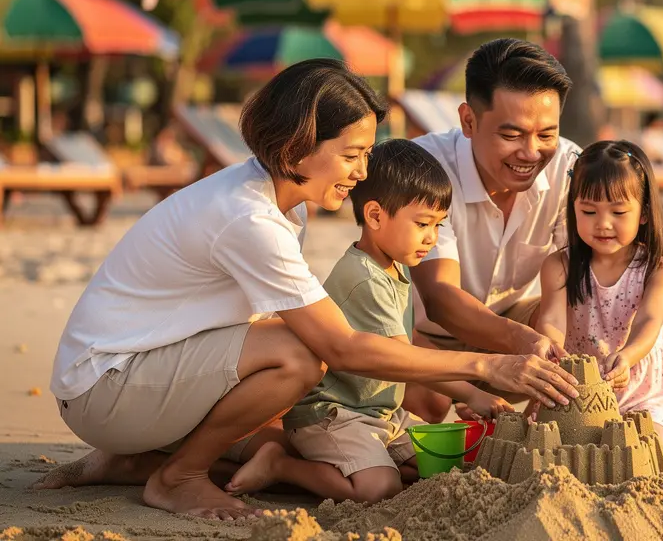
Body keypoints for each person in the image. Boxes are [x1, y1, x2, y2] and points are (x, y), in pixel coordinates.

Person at [36, 59, 578, 520]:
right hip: (104, 387)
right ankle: (177, 477)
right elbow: (338, 347)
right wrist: (484, 367)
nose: (362, 171)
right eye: (351, 154)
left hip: (142, 374)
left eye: (367, 154)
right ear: (297, 146)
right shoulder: (249, 218)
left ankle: (135, 460)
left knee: (285, 428)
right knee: (300, 357)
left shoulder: (278, 202)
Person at [223, 139, 515, 503]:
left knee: (439, 466)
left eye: (439, 225)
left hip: (381, 413)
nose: (431, 238)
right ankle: (280, 466)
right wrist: (472, 391)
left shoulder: (393, 268)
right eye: (422, 224)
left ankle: (346, 465)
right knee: (380, 488)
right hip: (334, 414)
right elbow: (406, 361)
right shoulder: (364, 278)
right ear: (375, 216)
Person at [404, 38, 587, 423]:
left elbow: (593, 277)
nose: (531, 153)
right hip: (425, 341)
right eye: (512, 135)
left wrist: (547, 353)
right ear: (468, 121)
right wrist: (524, 343)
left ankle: (547, 413)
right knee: (428, 405)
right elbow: (439, 297)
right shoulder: (424, 167)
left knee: (587, 308)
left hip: (516, 331)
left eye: (546, 135)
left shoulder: (571, 168)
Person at [533, 140, 663, 452]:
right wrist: (554, 353)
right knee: (546, 445)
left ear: (643, 214)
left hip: (639, 394)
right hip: (576, 391)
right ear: (573, 209)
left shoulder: (656, 269)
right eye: (588, 211)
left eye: (618, 212)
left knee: (649, 446)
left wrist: (628, 356)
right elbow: (551, 320)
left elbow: (649, 320)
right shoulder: (559, 265)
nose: (603, 224)